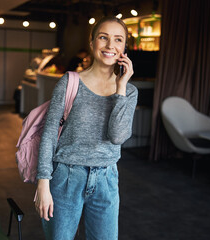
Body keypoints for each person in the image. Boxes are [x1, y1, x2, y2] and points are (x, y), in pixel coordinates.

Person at [35, 16, 138, 240]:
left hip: (107, 179)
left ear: (124, 49)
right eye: (103, 37)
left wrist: (120, 88)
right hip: (66, 176)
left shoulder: (129, 92)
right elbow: (49, 134)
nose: (110, 45)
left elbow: (117, 136)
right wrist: (43, 184)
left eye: (118, 40)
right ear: (92, 43)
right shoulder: (70, 82)